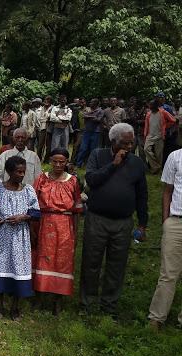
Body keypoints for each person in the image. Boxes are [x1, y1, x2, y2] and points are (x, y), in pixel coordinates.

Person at [80, 123, 148, 317]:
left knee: (116, 266)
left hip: (123, 223)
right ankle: (87, 303)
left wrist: (143, 224)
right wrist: (113, 165)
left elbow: (142, 195)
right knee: (91, 263)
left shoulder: (137, 163)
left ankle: (109, 306)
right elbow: (91, 180)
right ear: (113, 142)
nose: (129, 147)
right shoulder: (98, 155)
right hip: (97, 219)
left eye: (131, 143)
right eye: (124, 143)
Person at [33, 148, 83, 315]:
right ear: (50, 161)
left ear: (66, 163)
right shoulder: (42, 179)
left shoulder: (73, 181)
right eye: (55, 161)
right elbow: (33, 203)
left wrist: (75, 232)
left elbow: (77, 207)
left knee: (62, 260)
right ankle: (39, 297)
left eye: (62, 162)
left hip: (65, 224)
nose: (58, 165)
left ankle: (57, 300)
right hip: (45, 222)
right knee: (43, 258)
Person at [0, 156, 40, 320]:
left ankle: (15, 307)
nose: (21, 175)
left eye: (23, 172)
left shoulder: (28, 190)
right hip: (3, 234)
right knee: (0, 265)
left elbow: (36, 212)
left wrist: (23, 217)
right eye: (18, 171)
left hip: (20, 235)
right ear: (9, 171)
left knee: (19, 268)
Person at [148, 146, 182, 329]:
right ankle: (156, 318)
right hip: (176, 222)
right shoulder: (175, 157)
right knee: (168, 274)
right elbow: (167, 191)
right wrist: (166, 221)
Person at [144, 100, 176, 174]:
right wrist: (145, 134)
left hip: (159, 136)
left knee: (159, 154)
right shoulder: (148, 114)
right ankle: (156, 167)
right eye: (149, 105)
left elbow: (173, 120)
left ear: (156, 105)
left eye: (151, 105)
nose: (150, 107)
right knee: (146, 149)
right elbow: (146, 125)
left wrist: (165, 126)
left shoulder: (163, 112)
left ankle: (157, 171)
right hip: (150, 135)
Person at [37, 96, 54, 162]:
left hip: (50, 129)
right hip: (42, 128)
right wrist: (46, 119)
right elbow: (40, 118)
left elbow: (51, 118)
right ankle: (38, 159)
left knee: (48, 145)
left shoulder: (53, 108)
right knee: (40, 144)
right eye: (45, 100)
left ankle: (46, 159)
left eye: (48, 100)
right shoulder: (42, 108)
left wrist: (47, 118)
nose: (46, 102)